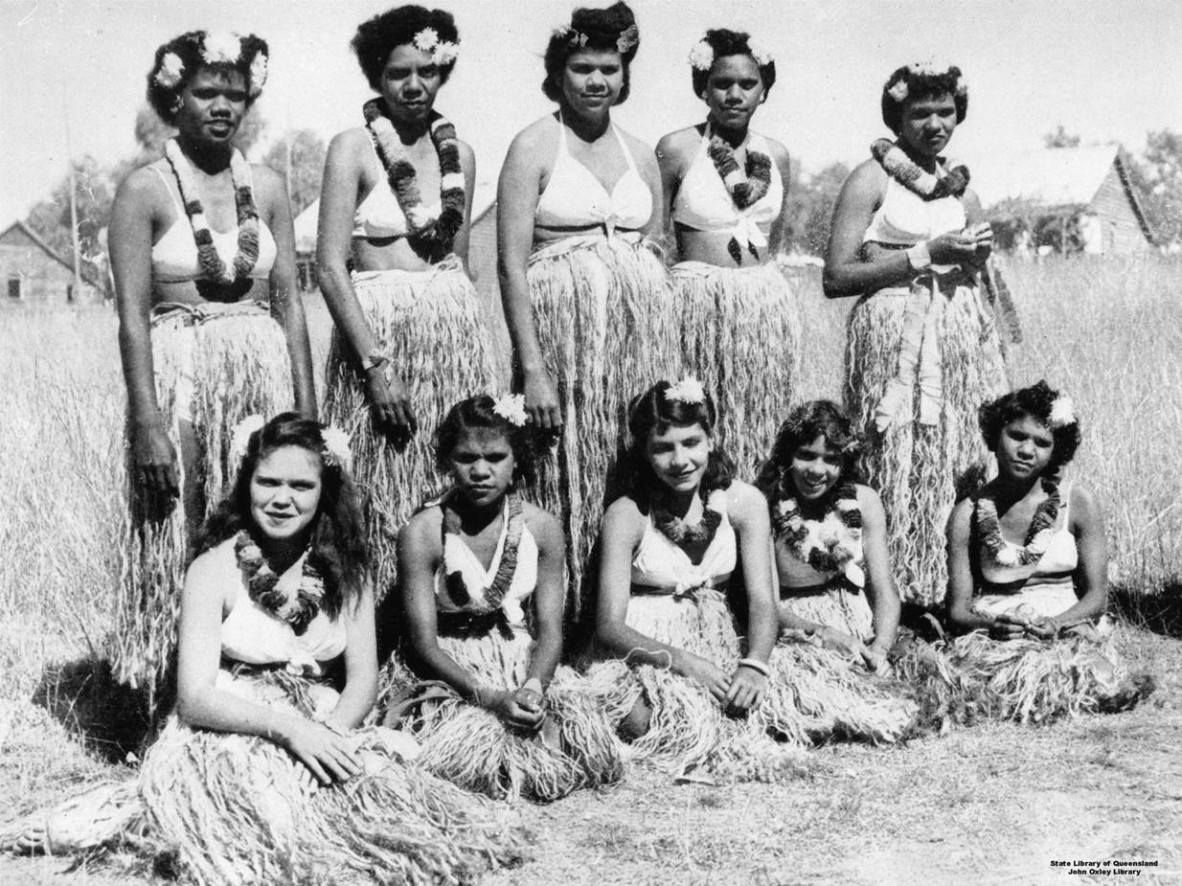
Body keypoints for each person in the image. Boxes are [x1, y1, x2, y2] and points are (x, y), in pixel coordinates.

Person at [7, 415, 528, 882]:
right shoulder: (213, 568)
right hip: (235, 721)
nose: (283, 499)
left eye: (301, 485)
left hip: (323, 715)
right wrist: (290, 732)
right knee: (257, 819)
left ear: (325, 491)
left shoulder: (350, 570)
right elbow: (194, 696)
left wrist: (329, 736)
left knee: (387, 810)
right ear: (246, 484)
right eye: (268, 482)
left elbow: (362, 680)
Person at [110, 30, 316, 710]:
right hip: (182, 371)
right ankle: (168, 696)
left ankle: (257, 679)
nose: (222, 105)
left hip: (259, 367)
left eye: (234, 93)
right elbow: (132, 317)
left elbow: (290, 307)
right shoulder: (145, 190)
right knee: (180, 519)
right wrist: (146, 421)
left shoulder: (271, 188)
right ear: (174, 98)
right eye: (205, 92)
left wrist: (306, 420)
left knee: (253, 519)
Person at [586, 380, 913, 782]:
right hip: (651, 650)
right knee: (657, 723)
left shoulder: (742, 502)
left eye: (691, 443)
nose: (680, 460)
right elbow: (608, 625)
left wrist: (755, 664)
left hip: (720, 640)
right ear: (644, 452)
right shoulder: (627, 513)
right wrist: (688, 666)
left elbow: (762, 600)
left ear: (710, 438)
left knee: (790, 706)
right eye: (663, 448)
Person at [497, 1, 679, 622]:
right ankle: (566, 616)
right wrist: (534, 367)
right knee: (565, 468)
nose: (596, 81)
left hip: (635, 345)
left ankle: (628, 612)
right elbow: (510, 265)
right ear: (558, 73)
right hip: (564, 346)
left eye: (608, 68)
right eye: (581, 68)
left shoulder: (639, 152)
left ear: (624, 74)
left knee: (628, 464)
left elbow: (655, 249)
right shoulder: (533, 146)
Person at [318, 5, 496, 598]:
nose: (414, 85)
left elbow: (461, 265)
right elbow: (328, 267)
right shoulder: (352, 149)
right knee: (374, 487)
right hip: (380, 341)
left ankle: (445, 621)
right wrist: (375, 364)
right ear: (377, 76)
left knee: (443, 482)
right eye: (398, 73)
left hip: (450, 336)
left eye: (426, 71)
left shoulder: (461, 156)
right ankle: (377, 628)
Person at [822, 60, 1013, 608]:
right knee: (895, 459)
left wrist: (994, 343)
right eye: (921, 112)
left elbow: (985, 283)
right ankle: (890, 596)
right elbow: (836, 277)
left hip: (960, 341)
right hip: (893, 337)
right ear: (898, 116)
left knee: (954, 459)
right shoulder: (871, 178)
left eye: (945, 111)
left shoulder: (962, 191)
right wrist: (925, 254)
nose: (935, 123)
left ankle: (950, 592)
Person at [385, 395, 622, 802]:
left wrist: (533, 686)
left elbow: (549, 630)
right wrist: (488, 696)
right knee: (467, 759)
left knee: (585, 745)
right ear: (447, 461)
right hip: (452, 670)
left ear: (517, 462)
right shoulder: (423, 532)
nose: (480, 471)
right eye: (466, 457)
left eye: (495, 457)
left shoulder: (542, 528)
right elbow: (423, 643)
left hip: (520, 660)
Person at [898, 383, 1153, 726]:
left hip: (1066, 624)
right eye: (1017, 436)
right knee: (981, 688)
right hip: (997, 631)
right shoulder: (967, 513)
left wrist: (1057, 624)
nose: (1026, 450)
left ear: (1056, 451)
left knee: (1092, 679)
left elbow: (1097, 596)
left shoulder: (1078, 503)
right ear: (995, 436)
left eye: (1042, 443)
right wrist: (993, 625)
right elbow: (957, 610)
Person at [656, 29, 800, 478]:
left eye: (748, 84)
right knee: (695, 418)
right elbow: (656, 238)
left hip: (760, 308)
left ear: (764, 91)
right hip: (694, 304)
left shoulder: (776, 154)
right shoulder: (678, 147)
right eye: (722, 84)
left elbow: (770, 241)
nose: (734, 95)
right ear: (703, 88)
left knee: (757, 422)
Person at [757, 401, 900, 674]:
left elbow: (884, 588)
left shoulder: (863, 500)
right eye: (806, 455)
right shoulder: (765, 506)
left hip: (859, 623)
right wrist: (824, 636)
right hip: (797, 633)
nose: (817, 470)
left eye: (831, 459)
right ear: (787, 456)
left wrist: (880, 649)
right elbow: (767, 605)